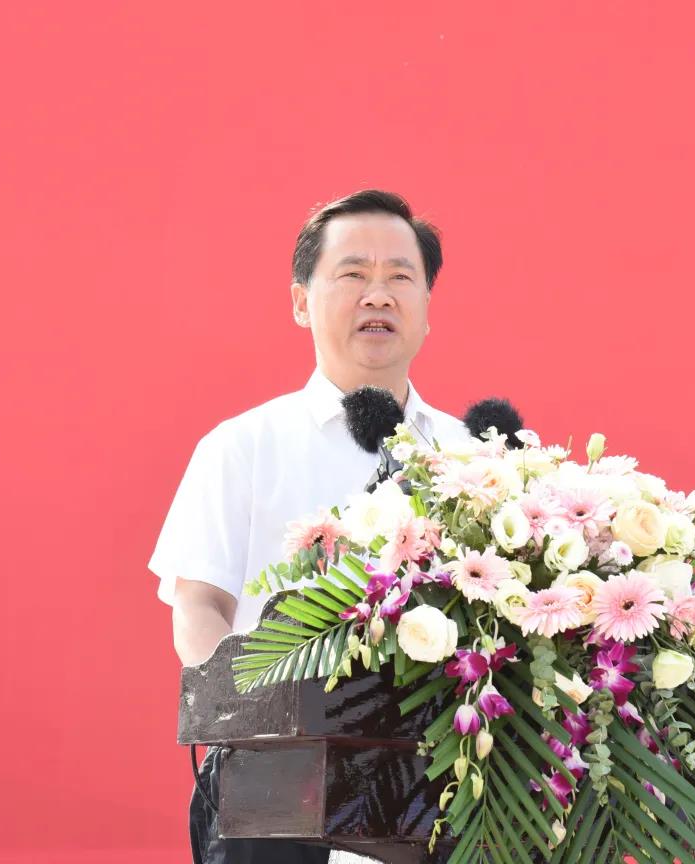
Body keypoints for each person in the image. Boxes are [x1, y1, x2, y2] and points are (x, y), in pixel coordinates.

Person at [147, 189, 475, 864]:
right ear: (301, 301)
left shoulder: (472, 456)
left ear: (426, 307)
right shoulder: (243, 446)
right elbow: (199, 604)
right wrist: (254, 714)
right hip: (281, 781)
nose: (378, 295)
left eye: (400, 277)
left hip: (444, 780)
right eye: (353, 274)